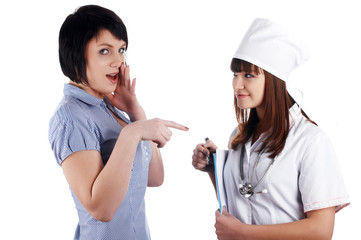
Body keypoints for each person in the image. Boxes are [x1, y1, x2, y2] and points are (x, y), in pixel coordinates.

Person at [192, 18, 349, 240]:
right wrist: (213, 168)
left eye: (248, 75)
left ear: (274, 79)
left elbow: (321, 230)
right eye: (235, 74)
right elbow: (243, 201)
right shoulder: (238, 137)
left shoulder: (310, 141)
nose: (237, 85)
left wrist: (244, 233)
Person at [48, 5, 188, 239]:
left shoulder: (111, 110)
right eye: (105, 51)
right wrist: (132, 133)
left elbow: (154, 178)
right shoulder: (71, 118)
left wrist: (136, 112)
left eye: (121, 49)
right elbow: (101, 209)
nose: (118, 61)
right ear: (75, 56)